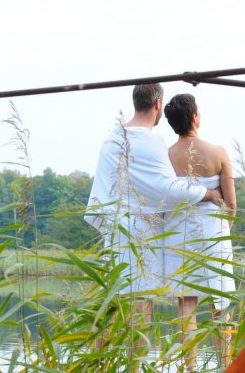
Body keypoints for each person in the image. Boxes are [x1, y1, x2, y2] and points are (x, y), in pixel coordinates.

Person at [86, 84, 224, 315]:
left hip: (115, 232)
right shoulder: (152, 142)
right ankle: (136, 353)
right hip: (141, 236)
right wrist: (209, 194)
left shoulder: (111, 140)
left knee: (115, 307)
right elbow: (168, 189)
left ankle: (111, 351)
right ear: (158, 104)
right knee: (141, 308)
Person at [162, 93, 236, 365]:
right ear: (195, 117)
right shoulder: (219, 153)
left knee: (187, 302)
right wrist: (223, 228)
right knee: (221, 301)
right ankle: (225, 370)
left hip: (179, 229)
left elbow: (164, 195)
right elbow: (232, 203)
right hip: (214, 229)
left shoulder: (165, 156)